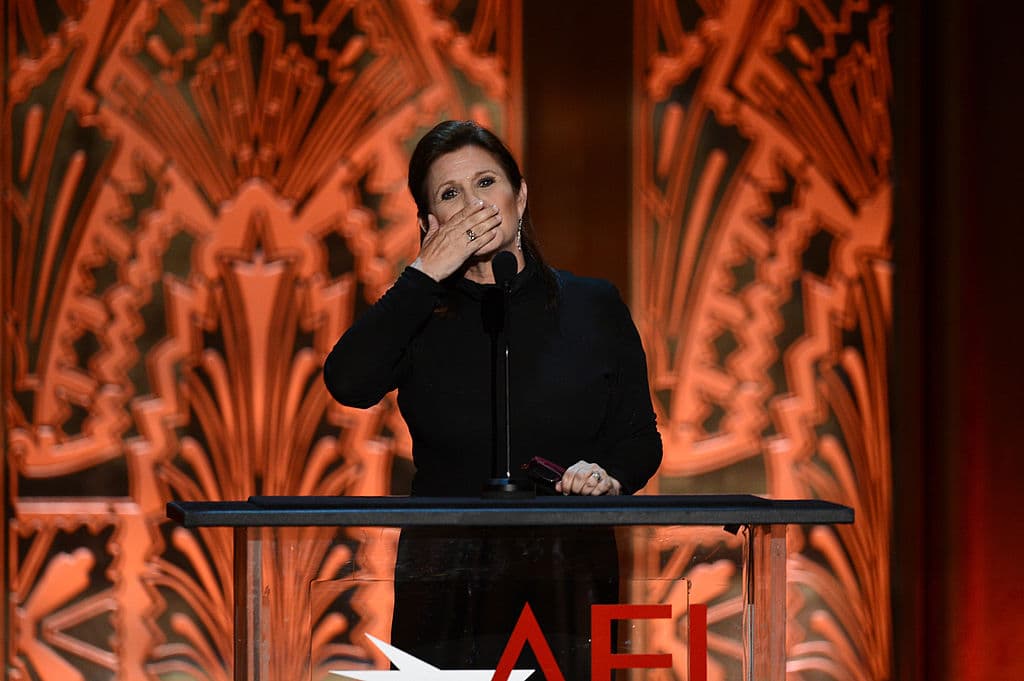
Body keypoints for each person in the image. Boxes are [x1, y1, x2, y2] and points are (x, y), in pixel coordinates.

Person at [323, 120, 662, 675]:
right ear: (430, 221)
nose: (474, 204)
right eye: (451, 194)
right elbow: (348, 382)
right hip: (447, 583)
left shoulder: (592, 305)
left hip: (565, 579)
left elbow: (639, 438)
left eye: (486, 183)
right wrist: (425, 271)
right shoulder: (419, 314)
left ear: (520, 195)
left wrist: (606, 475)